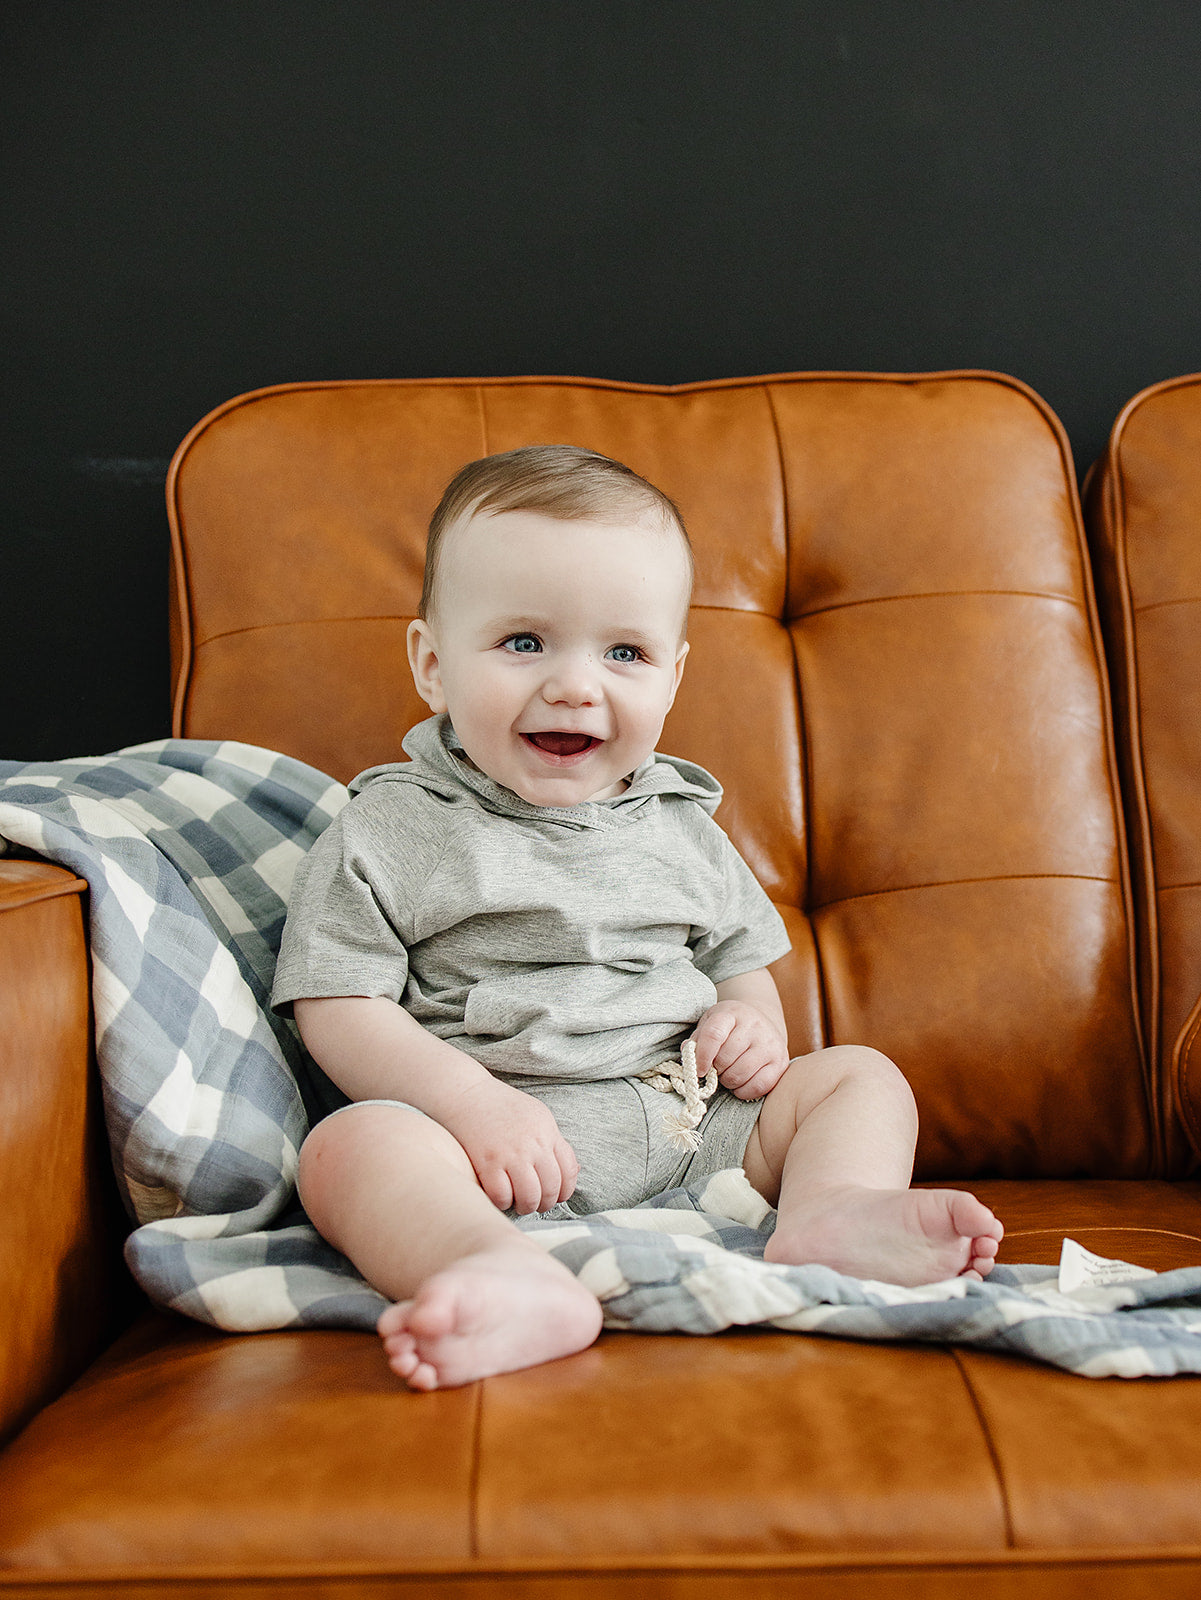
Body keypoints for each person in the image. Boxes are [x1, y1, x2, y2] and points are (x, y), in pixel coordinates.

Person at [272, 444, 1003, 1392]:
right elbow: (338, 1002)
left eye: (624, 653)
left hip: (696, 1123)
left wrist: (750, 1020)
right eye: (524, 642)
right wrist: (470, 1106)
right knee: (348, 1150)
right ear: (432, 664)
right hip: (486, 1144)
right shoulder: (390, 827)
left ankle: (831, 1214)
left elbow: (740, 955)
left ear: (672, 677)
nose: (577, 685)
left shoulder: (679, 822)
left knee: (858, 1077)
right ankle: (491, 1270)